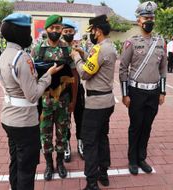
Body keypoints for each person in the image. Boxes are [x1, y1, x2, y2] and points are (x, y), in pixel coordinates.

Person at [0, 13, 62, 190]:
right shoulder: (22, 57)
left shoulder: (4, 55)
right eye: (27, 30)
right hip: (24, 121)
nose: (29, 34)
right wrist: (48, 76)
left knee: (16, 161)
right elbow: (33, 95)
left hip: (8, 116)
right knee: (27, 167)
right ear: (19, 32)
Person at [119, 1, 167, 175]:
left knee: (147, 126)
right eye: (146, 18)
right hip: (136, 92)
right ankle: (132, 159)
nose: (149, 20)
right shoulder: (131, 42)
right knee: (136, 126)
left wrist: (162, 91)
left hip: (153, 92)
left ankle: (142, 157)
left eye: (152, 18)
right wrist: (125, 94)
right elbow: (123, 68)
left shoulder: (160, 41)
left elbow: (163, 68)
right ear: (139, 21)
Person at [70, 14, 116, 190]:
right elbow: (96, 62)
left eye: (93, 31)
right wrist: (84, 53)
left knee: (89, 141)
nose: (92, 34)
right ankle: (103, 173)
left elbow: (84, 73)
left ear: (97, 31)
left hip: (95, 103)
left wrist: (76, 56)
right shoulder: (109, 46)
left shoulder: (99, 49)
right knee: (102, 137)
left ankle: (91, 183)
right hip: (108, 101)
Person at [31, 14, 78, 181]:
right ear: (47, 29)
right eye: (53, 28)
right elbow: (33, 76)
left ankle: (60, 163)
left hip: (63, 100)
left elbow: (74, 76)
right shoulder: (38, 49)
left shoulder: (67, 49)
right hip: (44, 100)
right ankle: (49, 164)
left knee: (62, 133)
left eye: (58, 28)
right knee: (45, 134)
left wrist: (73, 100)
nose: (56, 31)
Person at [61, 18, 85, 162]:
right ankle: (66, 144)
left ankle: (80, 143)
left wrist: (80, 54)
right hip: (63, 89)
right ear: (62, 33)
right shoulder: (58, 50)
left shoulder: (79, 49)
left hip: (78, 87)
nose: (68, 33)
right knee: (64, 119)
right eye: (66, 31)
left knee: (80, 116)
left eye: (70, 31)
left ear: (74, 32)